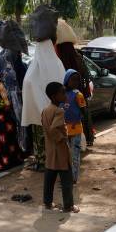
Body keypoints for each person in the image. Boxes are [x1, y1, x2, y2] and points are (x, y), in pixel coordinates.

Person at [22, 9, 65, 171]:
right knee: (48, 138)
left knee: (43, 138)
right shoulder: (56, 63)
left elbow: (29, 83)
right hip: (52, 113)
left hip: (44, 114)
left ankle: (44, 161)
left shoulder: (35, 66)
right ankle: (46, 161)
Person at [55, 19, 95, 146]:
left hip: (65, 94)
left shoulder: (58, 58)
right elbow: (86, 75)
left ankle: (74, 141)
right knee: (83, 115)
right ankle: (87, 139)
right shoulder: (77, 56)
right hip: (80, 92)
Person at [42, 81, 79, 213]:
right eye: (62, 93)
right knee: (66, 179)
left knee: (50, 177)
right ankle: (68, 205)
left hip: (50, 150)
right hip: (60, 149)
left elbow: (46, 129)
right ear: (54, 96)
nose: (65, 95)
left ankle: (47, 202)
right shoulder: (59, 111)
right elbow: (53, 129)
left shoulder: (46, 110)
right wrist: (63, 138)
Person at [0, 20, 29, 153]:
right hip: (13, 97)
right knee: (18, 124)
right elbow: (15, 78)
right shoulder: (9, 55)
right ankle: (20, 149)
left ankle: (20, 149)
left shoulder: (5, 55)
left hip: (12, 96)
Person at [63, 69, 87, 183]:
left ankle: (73, 177)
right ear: (66, 80)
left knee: (75, 155)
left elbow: (83, 111)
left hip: (76, 128)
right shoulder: (61, 94)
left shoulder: (78, 95)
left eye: (77, 80)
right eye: (73, 80)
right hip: (63, 129)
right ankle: (67, 176)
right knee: (65, 155)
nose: (75, 82)